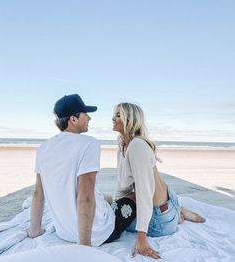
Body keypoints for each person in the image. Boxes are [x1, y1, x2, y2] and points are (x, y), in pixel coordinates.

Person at [27, 94, 136, 246]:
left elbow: (38, 192)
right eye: (86, 114)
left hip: (64, 232)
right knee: (134, 197)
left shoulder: (43, 147)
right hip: (99, 232)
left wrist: (34, 230)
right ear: (73, 119)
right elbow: (85, 196)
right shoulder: (89, 143)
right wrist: (85, 245)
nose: (89, 119)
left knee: (108, 198)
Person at [112, 102, 205, 259]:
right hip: (169, 199)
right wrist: (116, 204)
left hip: (159, 220)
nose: (113, 118)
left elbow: (144, 194)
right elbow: (123, 184)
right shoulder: (124, 144)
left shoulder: (137, 146)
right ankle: (179, 211)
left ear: (131, 119)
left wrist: (141, 238)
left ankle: (177, 216)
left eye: (118, 115)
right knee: (111, 205)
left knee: (113, 224)